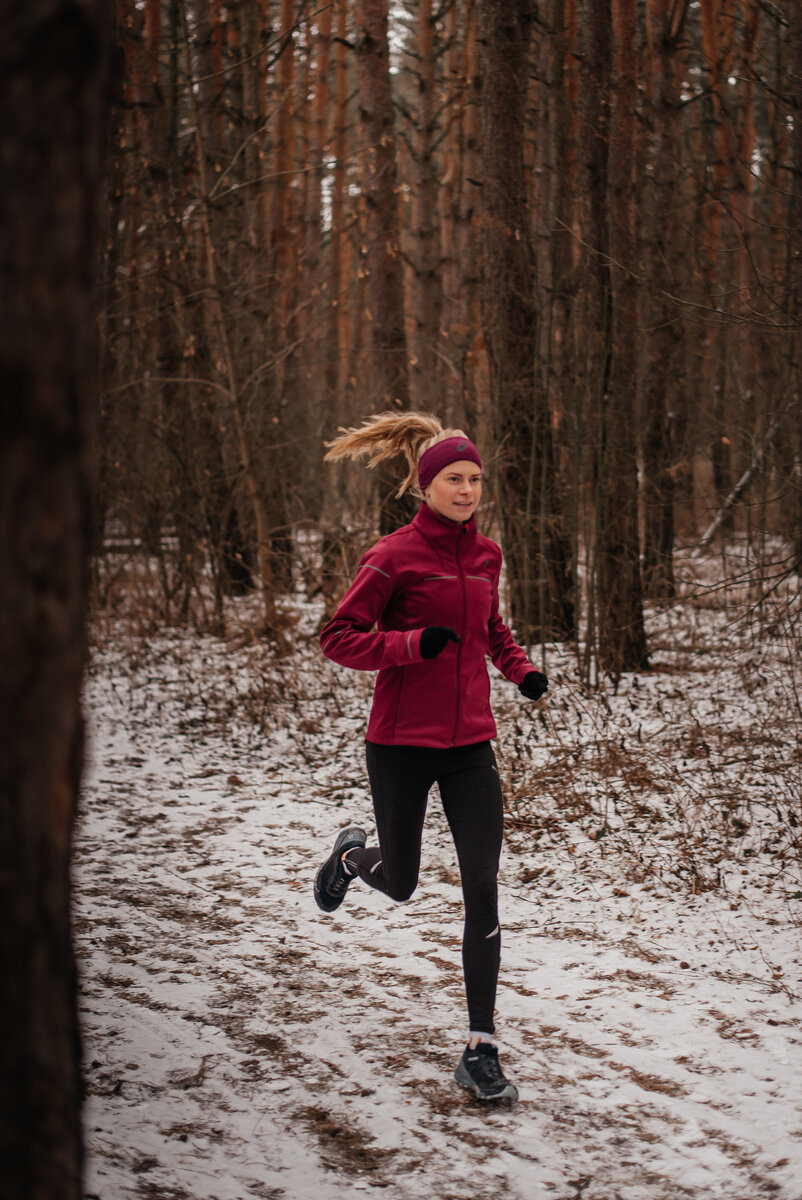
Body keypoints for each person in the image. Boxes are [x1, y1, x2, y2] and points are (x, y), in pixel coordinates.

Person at [313, 412, 548, 1103]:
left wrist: (519, 668)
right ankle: (354, 858)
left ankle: (481, 1047)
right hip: (400, 745)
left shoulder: (488, 555)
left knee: (483, 882)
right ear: (427, 486)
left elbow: (489, 627)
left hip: (472, 744)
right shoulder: (392, 556)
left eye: (475, 479)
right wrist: (411, 645)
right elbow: (338, 637)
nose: (468, 489)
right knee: (405, 881)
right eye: (454, 478)